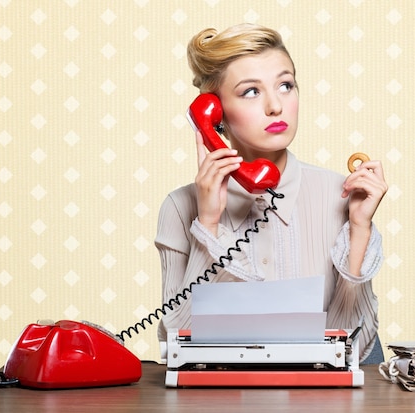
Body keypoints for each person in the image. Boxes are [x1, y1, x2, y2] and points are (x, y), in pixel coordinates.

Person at [155, 23, 388, 364]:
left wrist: (359, 229)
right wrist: (209, 223)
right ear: (214, 111)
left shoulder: (342, 195)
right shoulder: (180, 207)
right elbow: (176, 346)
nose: (276, 106)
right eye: (251, 91)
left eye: (285, 85)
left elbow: (353, 349)